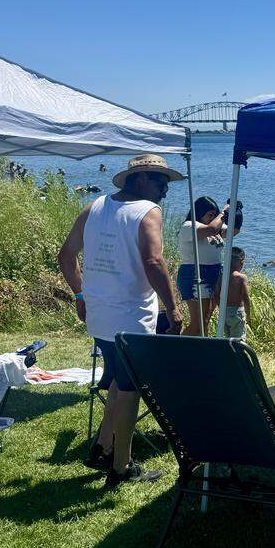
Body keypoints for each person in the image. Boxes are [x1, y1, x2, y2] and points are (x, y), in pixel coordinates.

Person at [57, 153, 184, 486]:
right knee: (129, 390)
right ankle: (121, 467)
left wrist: (81, 295)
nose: (165, 190)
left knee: (116, 379)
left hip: (99, 316)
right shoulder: (148, 211)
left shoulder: (94, 207)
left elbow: (66, 255)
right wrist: (173, 307)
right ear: (140, 179)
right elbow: (154, 262)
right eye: (160, 182)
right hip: (131, 319)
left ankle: (102, 447)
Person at [176, 196, 229, 336]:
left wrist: (236, 215)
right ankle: (174, 347)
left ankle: (201, 347)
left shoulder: (214, 226)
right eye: (210, 215)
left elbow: (232, 231)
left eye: (214, 215)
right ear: (199, 213)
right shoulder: (189, 226)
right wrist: (223, 213)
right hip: (195, 275)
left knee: (205, 321)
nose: (212, 218)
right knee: (198, 323)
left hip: (214, 274)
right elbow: (212, 229)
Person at [212, 247, 251, 340]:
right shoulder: (241, 277)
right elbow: (246, 297)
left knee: (228, 338)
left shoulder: (222, 275)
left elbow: (216, 294)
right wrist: (248, 314)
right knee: (239, 339)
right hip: (237, 312)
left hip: (224, 312)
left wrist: (221, 307)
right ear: (241, 262)